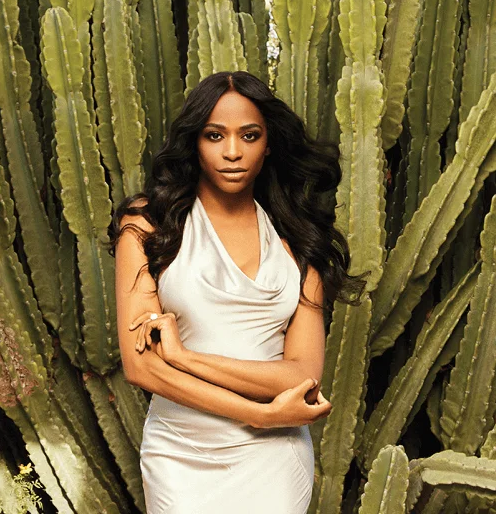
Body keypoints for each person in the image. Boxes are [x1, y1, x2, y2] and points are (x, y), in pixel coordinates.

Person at [110, 70, 367, 514]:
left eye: (249, 136)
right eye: (214, 135)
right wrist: (259, 413)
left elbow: (302, 375)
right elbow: (141, 367)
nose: (232, 152)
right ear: (195, 142)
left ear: (268, 144)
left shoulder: (299, 240)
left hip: (273, 460)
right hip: (180, 454)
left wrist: (185, 358)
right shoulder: (148, 225)